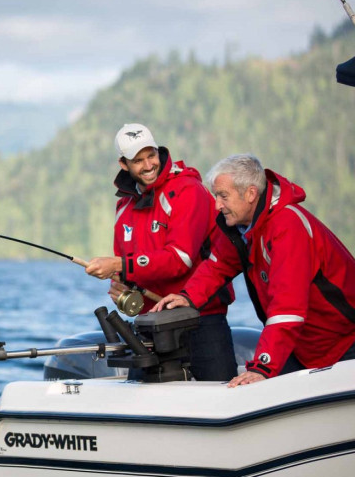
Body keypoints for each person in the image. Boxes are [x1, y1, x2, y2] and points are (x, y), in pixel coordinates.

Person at [154, 153, 355, 387]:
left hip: (344, 344)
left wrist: (263, 367)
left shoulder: (288, 227)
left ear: (250, 194)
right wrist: (186, 298)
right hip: (302, 346)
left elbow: (287, 309)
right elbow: (217, 267)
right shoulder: (241, 227)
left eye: (223, 196)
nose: (217, 204)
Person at [84, 123, 237, 381]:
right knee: (138, 409)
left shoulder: (189, 190)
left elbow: (180, 259)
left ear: (158, 151)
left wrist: (120, 265)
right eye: (138, 160)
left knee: (219, 402)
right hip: (149, 327)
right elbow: (127, 268)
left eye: (151, 156)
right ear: (123, 164)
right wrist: (120, 289)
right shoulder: (124, 205)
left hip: (201, 321)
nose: (148, 165)